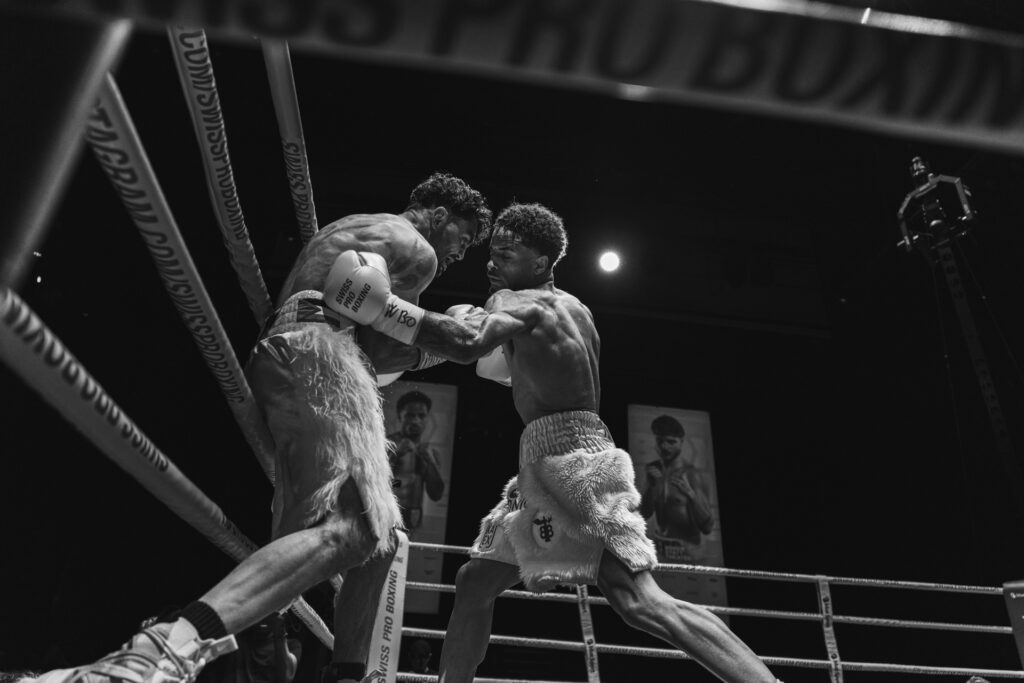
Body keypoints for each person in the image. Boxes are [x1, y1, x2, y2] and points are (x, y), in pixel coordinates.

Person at [22, 173, 492, 683]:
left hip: (291, 355)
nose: (459, 254)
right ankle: (166, 645)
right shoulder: (417, 249)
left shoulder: (358, 226)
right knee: (356, 526)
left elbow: (359, 311)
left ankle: (346, 674)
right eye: (463, 238)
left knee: (383, 539)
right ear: (439, 215)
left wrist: (425, 341)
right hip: (322, 356)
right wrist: (446, 342)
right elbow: (378, 348)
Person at [322, 202, 781, 682]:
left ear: (540, 262)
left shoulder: (512, 302)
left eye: (506, 255)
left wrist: (386, 309)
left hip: (570, 464)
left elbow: (466, 344)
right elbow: (546, 372)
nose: (492, 263)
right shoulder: (576, 308)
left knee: (637, 600)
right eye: (493, 252)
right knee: (475, 581)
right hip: (558, 453)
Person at [640, 414, 715, 556]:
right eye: (660, 441)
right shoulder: (653, 470)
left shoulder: (692, 474)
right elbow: (644, 515)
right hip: (661, 549)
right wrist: (650, 486)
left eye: (671, 442)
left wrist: (691, 495)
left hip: (689, 552)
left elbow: (708, 526)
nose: (664, 447)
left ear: (681, 442)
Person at [387, 390, 445, 530]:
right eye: (410, 415)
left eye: (421, 416)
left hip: (415, 518)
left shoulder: (431, 453)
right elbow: (375, 484)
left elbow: (436, 494)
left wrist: (430, 462)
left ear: (427, 418)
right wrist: (395, 456)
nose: (415, 421)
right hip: (389, 513)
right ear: (400, 416)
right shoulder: (387, 445)